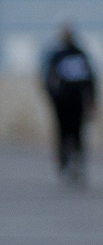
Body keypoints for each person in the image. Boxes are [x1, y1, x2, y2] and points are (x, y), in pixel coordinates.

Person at [41, 22, 94, 183]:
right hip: (62, 102)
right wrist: (53, 97)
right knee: (63, 132)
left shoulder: (79, 54)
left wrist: (91, 99)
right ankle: (64, 162)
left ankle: (77, 162)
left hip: (77, 102)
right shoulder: (58, 55)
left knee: (77, 132)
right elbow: (49, 78)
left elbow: (89, 80)